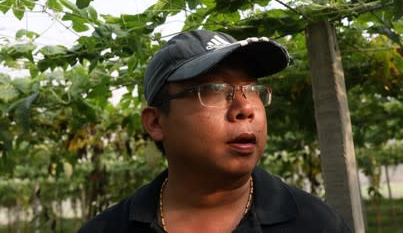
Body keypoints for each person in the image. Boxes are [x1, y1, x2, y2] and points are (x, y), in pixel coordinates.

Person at [78, 30, 351, 233]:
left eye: (252, 90)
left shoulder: (317, 224)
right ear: (156, 123)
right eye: (213, 90)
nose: (246, 108)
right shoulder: (107, 229)